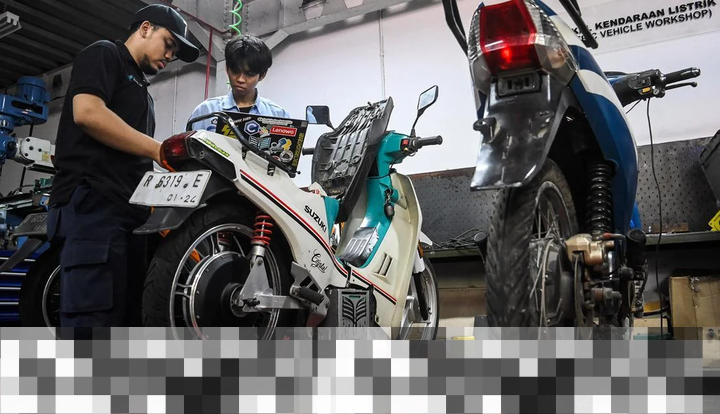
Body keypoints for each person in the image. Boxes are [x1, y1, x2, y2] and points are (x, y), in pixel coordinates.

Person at [47, 4, 199, 328]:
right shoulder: (105, 55)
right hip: (92, 207)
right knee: (93, 322)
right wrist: (157, 150)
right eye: (169, 44)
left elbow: (133, 156)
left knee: (128, 321)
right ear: (145, 28)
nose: (170, 55)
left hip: (128, 216)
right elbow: (87, 112)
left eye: (174, 51)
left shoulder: (143, 93)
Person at [188, 34, 290, 131]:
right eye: (235, 71)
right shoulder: (206, 111)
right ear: (227, 69)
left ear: (262, 75)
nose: (240, 79)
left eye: (249, 74)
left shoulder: (278, 115)